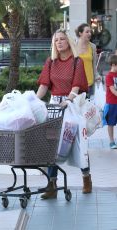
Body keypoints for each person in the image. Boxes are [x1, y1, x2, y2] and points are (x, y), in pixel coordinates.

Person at [36, 28, 92, 199]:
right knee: (52, 142)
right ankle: (52, 184)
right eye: (56, 40)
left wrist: (68, 100)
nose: (58, 42)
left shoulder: (77, 62)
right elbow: (44, 85)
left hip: (71, 103)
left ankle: (86, 177)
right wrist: (33, 102)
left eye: (61, 39)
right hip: (54, 105)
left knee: (77, 142)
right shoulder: (50, 62)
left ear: (68, 41)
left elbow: (76, 85)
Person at [75, 23, 98, 97]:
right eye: (87, 32)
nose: (90, 34)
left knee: (89, 106)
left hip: (90, 83)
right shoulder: (73, 46)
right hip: (76, 84)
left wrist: (97, 76)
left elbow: (94, 64)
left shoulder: (93, 47)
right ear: (80, 33)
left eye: (90, 32)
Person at [103, 54, 117, 149]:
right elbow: (112, 89)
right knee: (111, 123)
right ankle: (112, 141)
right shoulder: (109, 76)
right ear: (113, 65)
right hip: (112, 103)